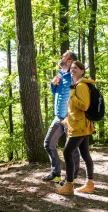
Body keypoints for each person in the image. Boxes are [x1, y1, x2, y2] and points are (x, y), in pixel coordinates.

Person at [56, 61, 95, 195]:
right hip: (79, 125)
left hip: (80, 126)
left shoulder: (81, 86)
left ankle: (69, 185)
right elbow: (75, 109)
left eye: (76, 68)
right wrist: (67, 120)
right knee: (84, 153)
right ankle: (89, 184)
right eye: (72, 68)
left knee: (67, 152)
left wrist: (72, 95)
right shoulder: (75, 86)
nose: (73, 70)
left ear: (82, 71)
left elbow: (84, 106)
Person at [42, 50, 80, 182]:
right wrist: (53, 85)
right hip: (58, 117)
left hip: (70, 119)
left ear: (69, 61)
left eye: (63, 56)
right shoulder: (61, 75)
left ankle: (73, 177)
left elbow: (80, 98)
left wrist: (70, 117)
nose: (60, 57)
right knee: (48, 144)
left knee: (72, 150)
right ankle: (56, 173)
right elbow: (57, 95)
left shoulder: (73, 77)